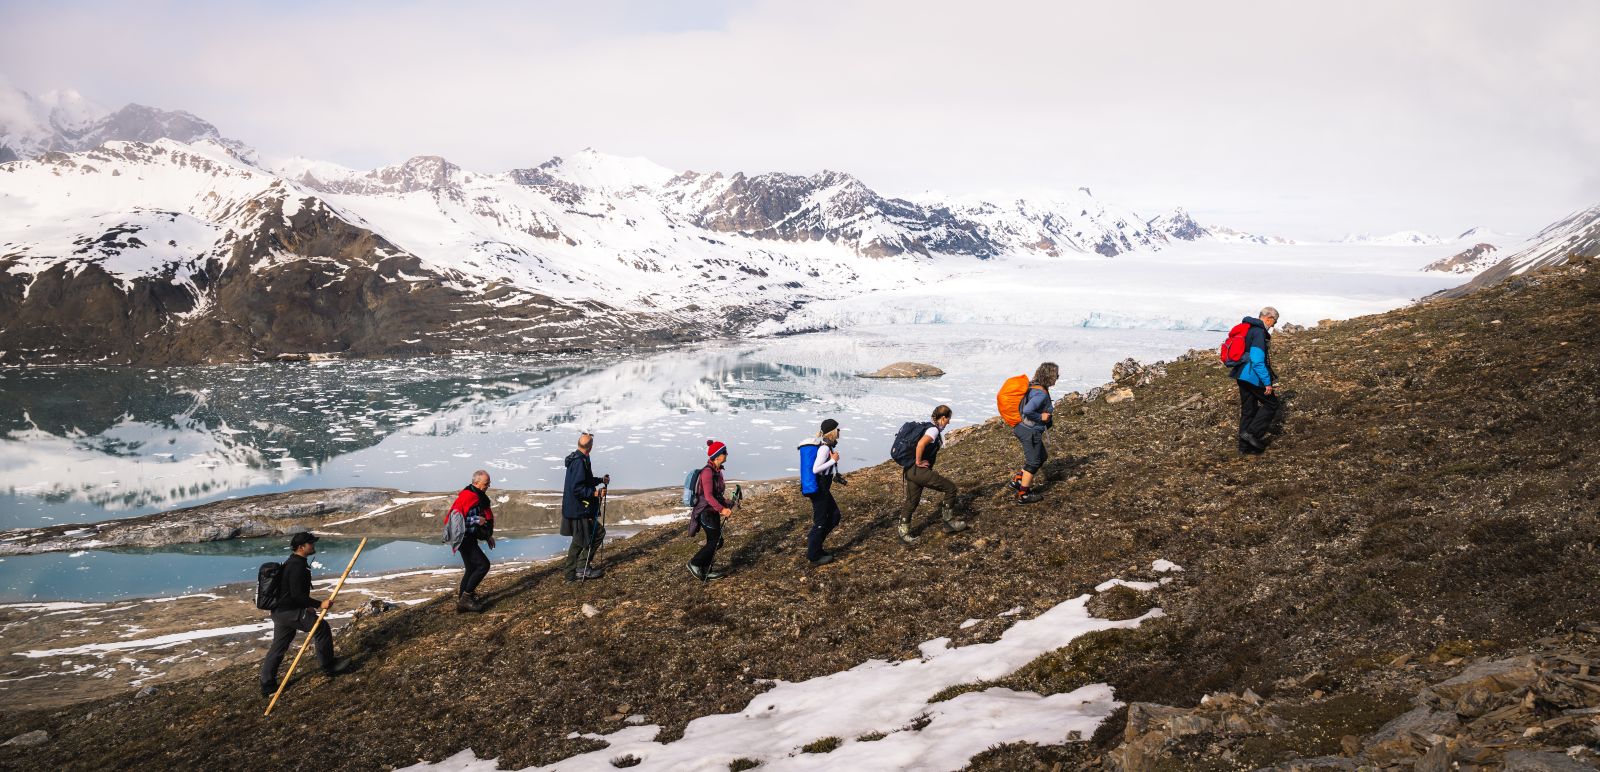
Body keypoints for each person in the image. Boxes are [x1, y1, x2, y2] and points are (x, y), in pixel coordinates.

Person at [259, 532, 350, 698]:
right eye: (310, 543)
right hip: (289, 612)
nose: (313, 545)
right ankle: (329, 666)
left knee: (278, 647)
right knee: (321, 627)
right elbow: (296, 595)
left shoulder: (293, 562)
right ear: (301, 547)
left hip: (280, 612)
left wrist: (306, 606)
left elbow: (292, 594)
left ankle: (267, 685)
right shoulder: (297, 566)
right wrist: (319, 604)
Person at [899, 405, 968, 545]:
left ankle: (903, 533)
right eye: (948, 419)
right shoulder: (933, 430)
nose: (948, 422)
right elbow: (920, 444)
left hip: (910, 470)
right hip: (918, 471)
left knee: (912, 502)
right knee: (950, 488)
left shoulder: (927, 426)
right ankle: (949, 523)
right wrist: (919, 461)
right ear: (942, 418)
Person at [562, 433, 610, 581]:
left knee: (583, 538)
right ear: (590, 447)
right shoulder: (579, 462)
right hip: (579, 509)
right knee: (589, 536)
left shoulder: (579, 458)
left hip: (578, 508)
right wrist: (595, 493)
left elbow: (585, 481)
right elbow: (577, 488)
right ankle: (578, 570)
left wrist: (600, 480)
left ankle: (574, 572)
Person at [1233, 306, 1281, 454]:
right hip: (1252, 376)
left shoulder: (1248, 329)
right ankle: (1252, 434)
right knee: (1272, 404)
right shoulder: (1259, 332)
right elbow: (1258, 360)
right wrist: (1267, 382)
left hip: (1241, 374)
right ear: (1269, 318)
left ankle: (1244, 448)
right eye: (1275, 322)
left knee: (1248, 410)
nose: (1273, 325)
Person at [1008, 362, 1057, 504]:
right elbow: (1028, 410)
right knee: (1034, 462)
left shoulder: (1033, 386)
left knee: (1042, 456)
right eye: (1056, 375)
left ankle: (1018, 480)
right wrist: (1041, 417)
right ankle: (1024, 494)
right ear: (1049, 376)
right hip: (1029, 431)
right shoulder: (1040, 394)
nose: (1057, 378)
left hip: (1023, 428)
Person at [799, 418, 845, 566]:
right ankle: (814, 555)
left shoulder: (828, 447)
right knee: (820, 522)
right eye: (838, 429)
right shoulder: (825, 449)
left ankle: (816, 545)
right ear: (832, 432)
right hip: (820, 490)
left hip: (823, 489)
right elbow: (815, 469)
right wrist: (833, 461)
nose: (839, 431)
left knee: (835, 516)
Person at [449, 470, 496, 612]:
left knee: (471, 568)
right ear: (476, 482)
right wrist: (476, 519)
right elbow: (456, 520)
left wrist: (487, 536)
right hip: (463, 538)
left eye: (489, 483)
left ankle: (462, 603)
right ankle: (466, 599)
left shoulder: (476, 495)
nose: (488, 486)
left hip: (469, 537)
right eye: (486, 483)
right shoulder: (468, 496)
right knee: (483, 565)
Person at [687, 440, 734, 581]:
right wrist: (722, 509)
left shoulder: (717, 472)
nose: (727, 454)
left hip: (712, 512)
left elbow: (716, 495)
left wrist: (727, 503)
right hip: (706, 513)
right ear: (717, 456)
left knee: (714, 541)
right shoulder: (707, 472)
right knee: (716, 541)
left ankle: (706, 570)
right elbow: (708, 496)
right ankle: (695, 563)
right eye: (724, 452)